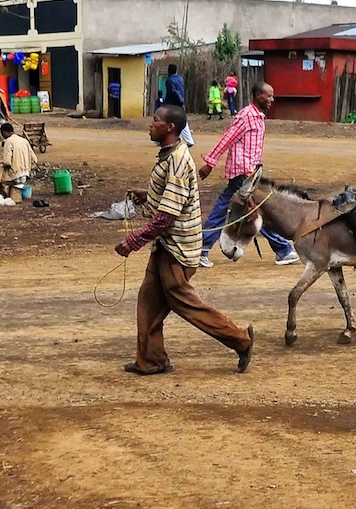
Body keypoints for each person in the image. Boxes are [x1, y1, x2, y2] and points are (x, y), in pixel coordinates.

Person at [115, 105, 254, 376]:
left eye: (155, 120)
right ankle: (152, 360)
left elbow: (165, 217)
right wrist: (148, 195)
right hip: (166, 246)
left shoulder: (178, 161)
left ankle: (241, 340)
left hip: (177, 249)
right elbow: (171, 199)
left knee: (186, 305)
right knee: (148, 302)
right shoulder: (170, 156)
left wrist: (132, 241)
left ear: (170, 128)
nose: (150, 124)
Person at [199, 82, 298, 268]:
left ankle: (202, 248)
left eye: (272, 95)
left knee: (224, 208)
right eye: (269, 96)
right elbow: (227, 138)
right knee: (257, 208)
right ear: (258, 95)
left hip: (249, 172)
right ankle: (283, 250)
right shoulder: (246, 116)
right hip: (241, 172)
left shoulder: (258, 116)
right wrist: (210, 162)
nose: (272, 99)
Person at [0, 123, 37, 198]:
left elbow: (7, 162)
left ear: (4, 132)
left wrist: (4, 164)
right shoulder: (24, 141)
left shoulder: (9, 141)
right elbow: (34, 160)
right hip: (24, 176)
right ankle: (3, 192)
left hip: (13, 176)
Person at [163, 64, 194, 147]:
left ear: (169, 71)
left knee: (168, 120)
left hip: (173, 103)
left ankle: (167, 139)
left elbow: (173, 92)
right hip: (180, 101)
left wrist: (175, 101)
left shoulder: (169, 80)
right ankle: (187, 140)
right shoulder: (180, 79)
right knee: (181, 120)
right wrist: (181, 101)